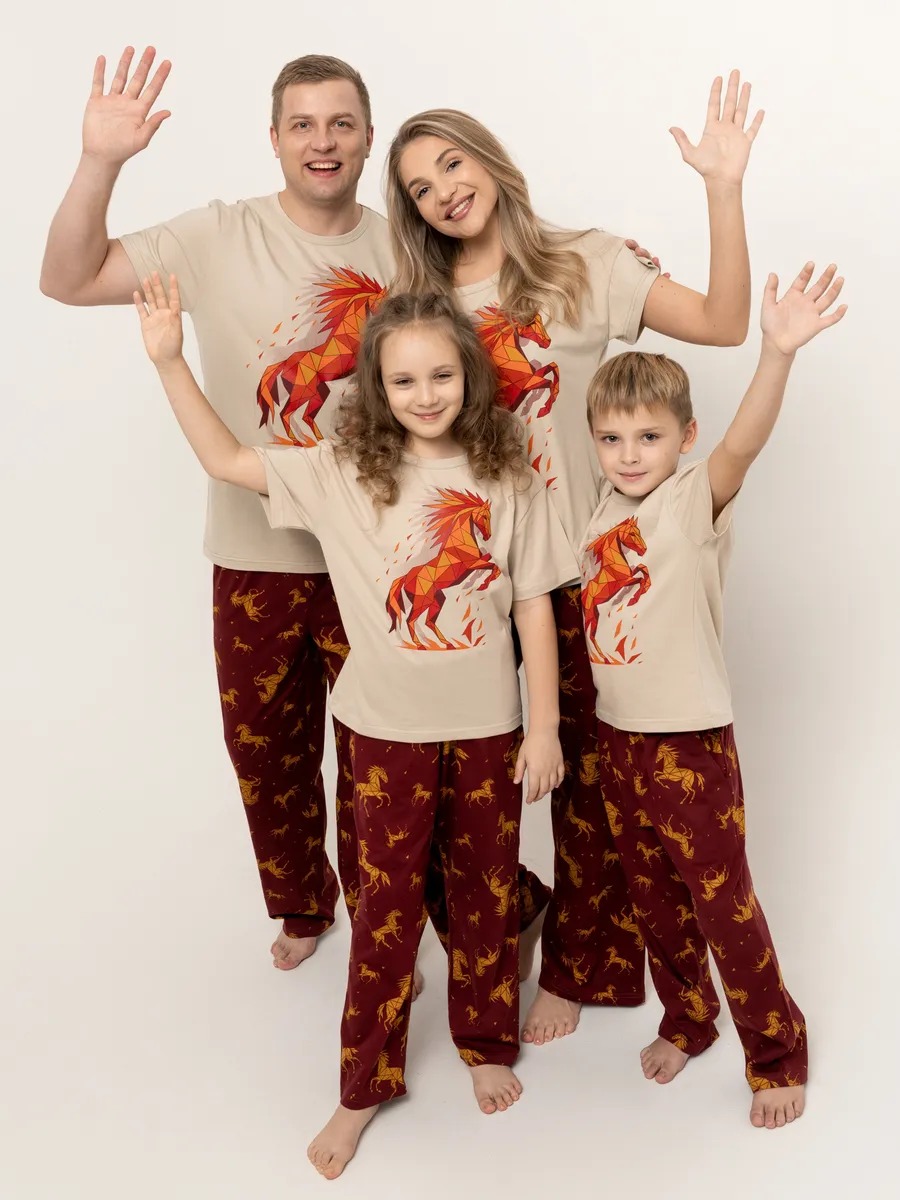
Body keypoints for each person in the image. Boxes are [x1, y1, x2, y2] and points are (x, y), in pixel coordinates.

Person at [134, 272, 578, 1175]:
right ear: (376, 385)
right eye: (404, 380)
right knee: (384, 914)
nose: (426, 395)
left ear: (470, 376)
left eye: (442, 376)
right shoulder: (340, 471)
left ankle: (485, 1040)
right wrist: (171, 362)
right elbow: (227, 461)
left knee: (483, 891)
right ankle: (362, 1086)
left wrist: (543, 728)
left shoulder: (507, 477)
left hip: (489, 729)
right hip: (382, 735)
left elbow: (533, 603)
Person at [385, 70, 764, 1041]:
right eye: (421, 188)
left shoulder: (585, 266)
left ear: (490, 162)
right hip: (475, 579)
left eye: (452, 165)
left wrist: (722, 189)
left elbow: (724, 324)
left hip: (584, 576)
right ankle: (517, 913)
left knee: (588, 795)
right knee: (445, 786)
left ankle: (581, 968)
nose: (443, 193)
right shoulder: (420, 304)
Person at [579, 261, 846, 1128]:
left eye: (648, 437)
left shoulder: (691, 501)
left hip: (687, 740)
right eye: (612, 439)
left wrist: (777, 354)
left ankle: (775, 1051)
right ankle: (688, 1019)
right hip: (616, 737)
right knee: (652, 897)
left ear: (683, 438)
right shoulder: (598, 512)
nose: (630, 455)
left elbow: (744, 444)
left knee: (721, 902)